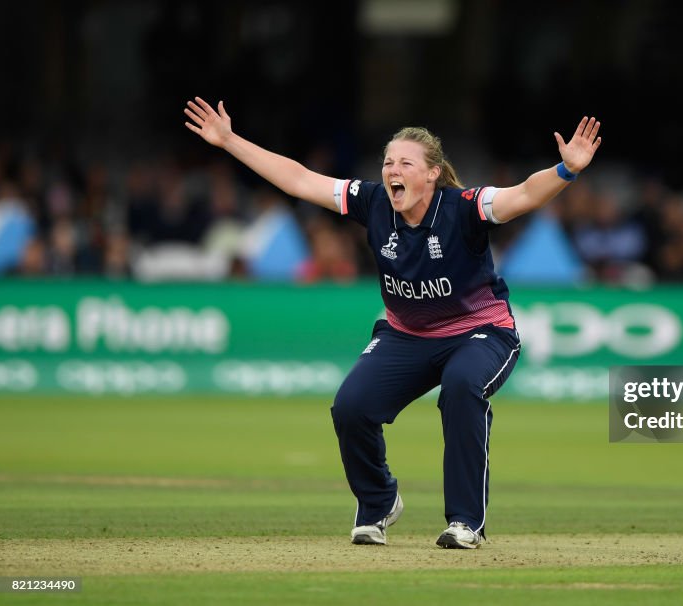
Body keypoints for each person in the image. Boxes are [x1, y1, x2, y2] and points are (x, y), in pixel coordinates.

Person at [184, 96, 601, 549]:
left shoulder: (464, 207)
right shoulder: (375, 203)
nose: (392, 170)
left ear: (431, 173)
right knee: (351, 406)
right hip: (407, 335)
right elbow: (300, 180)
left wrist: (566, 171)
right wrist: (229, 141)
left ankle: (466, 522)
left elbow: (523, 194)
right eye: (387, 162)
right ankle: (380, 501)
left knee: (461, 386)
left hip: (481, 333)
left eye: (405, 162)